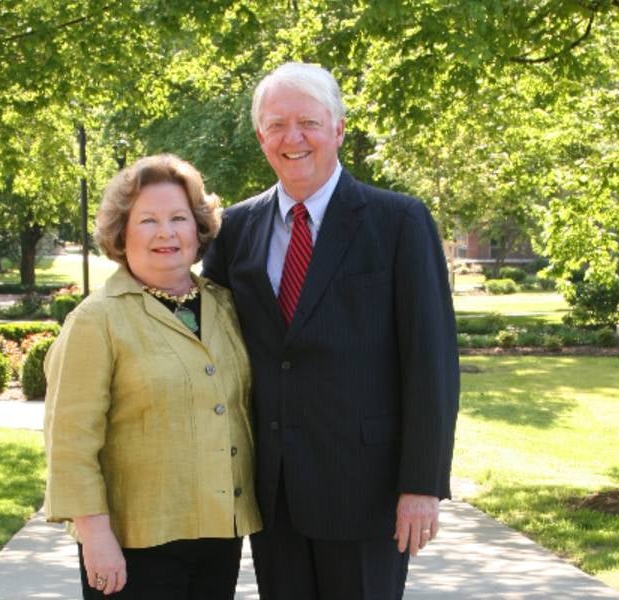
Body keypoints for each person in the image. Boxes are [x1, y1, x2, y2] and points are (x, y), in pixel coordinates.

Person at [202, 62, 459, 599]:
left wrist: (421, 486)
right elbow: (213, 348)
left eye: (308, 123)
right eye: (276, 125)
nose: (292, 138)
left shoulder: (399, 222)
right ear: (260, 137)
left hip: (368, 492)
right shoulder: (236, 230)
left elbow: (430, 362)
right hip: (274, 494)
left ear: (339, 128)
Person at [44, 154, 261, 599]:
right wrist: (95, 535)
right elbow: (70, 443)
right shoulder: (96, 320)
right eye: (148, 221)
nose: (166, 232)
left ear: (198, 230)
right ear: (121, 234)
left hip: (219, 536)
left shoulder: (224, 306)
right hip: (132, 545)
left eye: (179, 218)